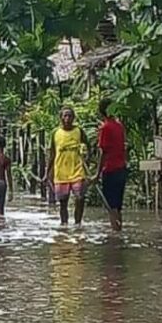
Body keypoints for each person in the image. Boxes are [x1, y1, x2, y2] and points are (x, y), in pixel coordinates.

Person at [46, 106, 89, 227]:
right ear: (61, 118)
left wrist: (87, 158)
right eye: (65, 116)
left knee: (80, 198)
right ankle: (64, 224)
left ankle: (77, 224)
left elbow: (88, 147)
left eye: (70, 116)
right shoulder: (56, 133)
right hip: (61, 172)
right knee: (63, 202)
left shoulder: (79, 131)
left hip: (77, 170)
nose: (67, 118)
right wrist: (47, 173)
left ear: (73, 118)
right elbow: (52, 154)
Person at [96, 98, 128, 231]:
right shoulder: (119, 126)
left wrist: (97, 174)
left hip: (110, 170)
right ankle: (119, 231)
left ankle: (115, 234)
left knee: (111, 206)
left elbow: (103, 152)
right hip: (121, 169)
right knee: (118, 205)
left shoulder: (105, 128)